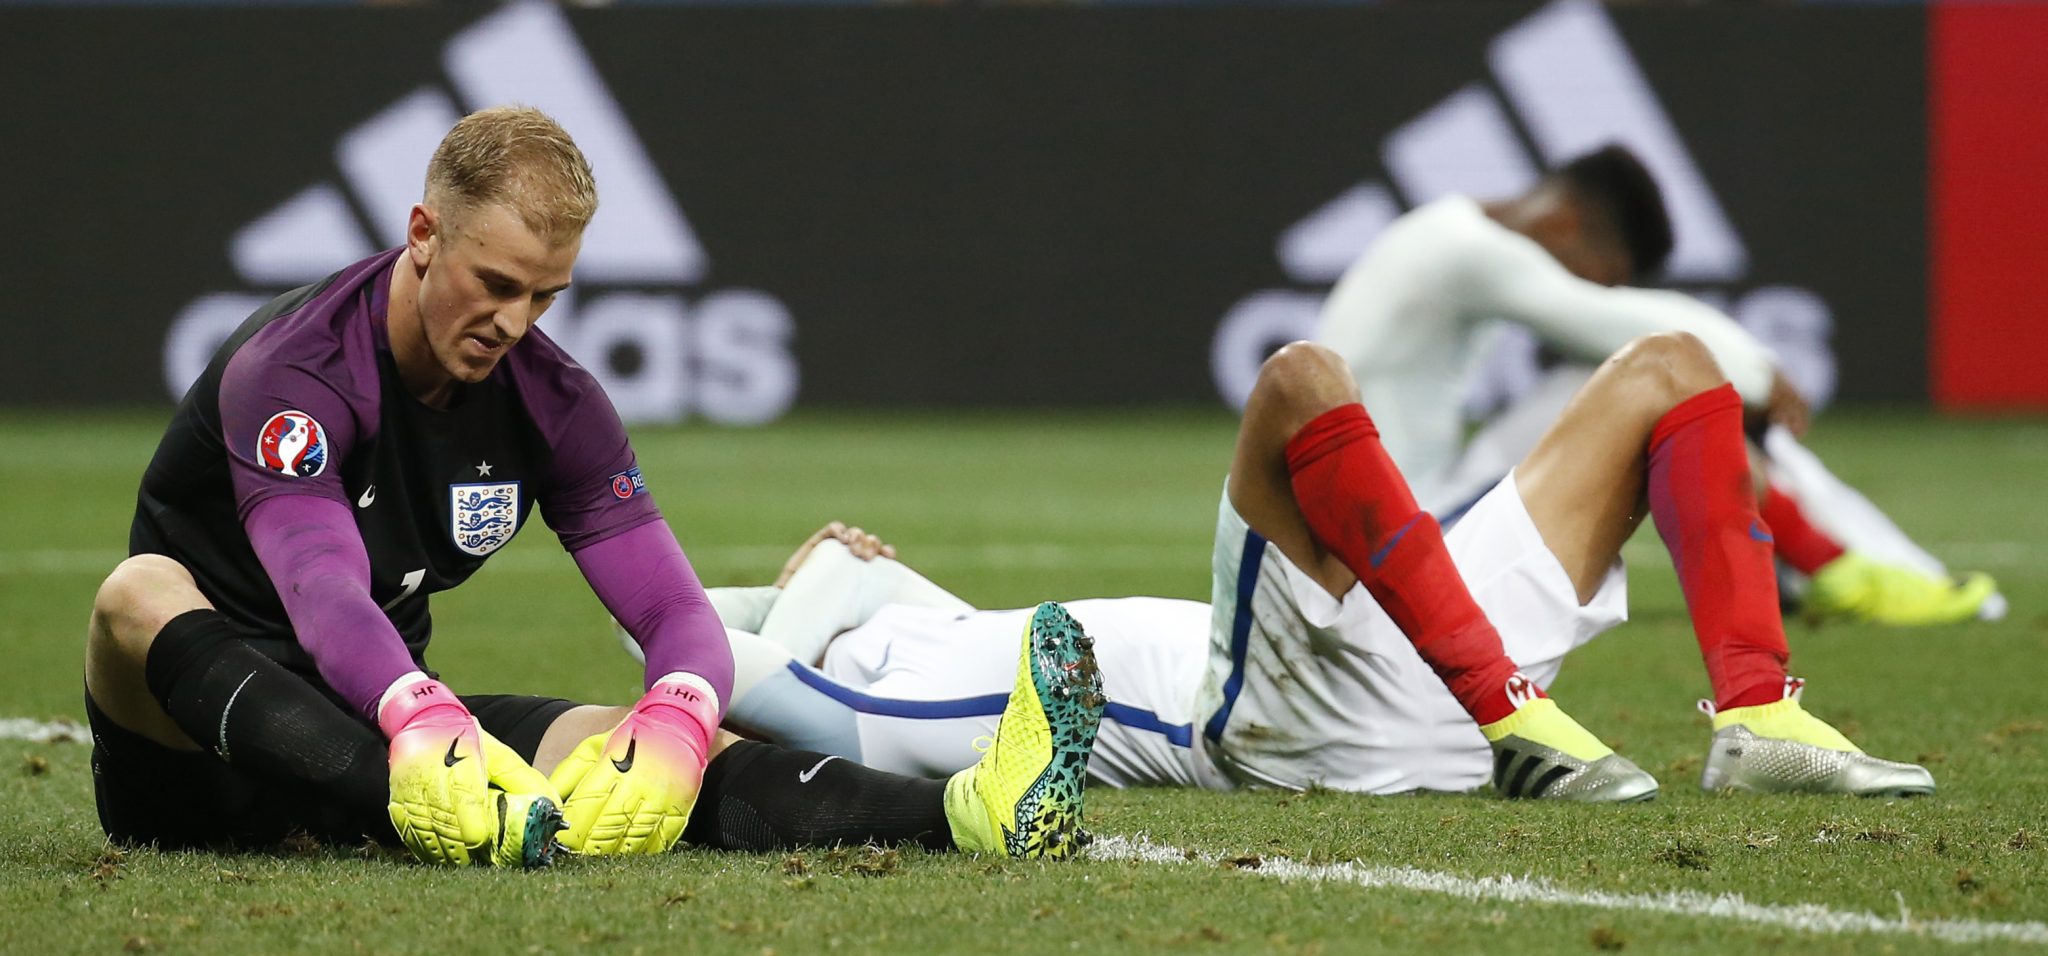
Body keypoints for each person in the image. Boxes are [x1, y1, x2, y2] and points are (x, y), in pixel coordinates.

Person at [84, 106, 1103, 867]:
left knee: (631, 744)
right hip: (195, 753)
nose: (515, 320)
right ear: (423, 233)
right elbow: (320, 589)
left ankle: (971, 812)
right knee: (137, 591)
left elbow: (667, 602)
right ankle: (449, 808)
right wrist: (418, 714)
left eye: (546, 294)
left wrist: (679, 709)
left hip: (387, 726)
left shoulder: (552, 401)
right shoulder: (295, 370)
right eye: (495, 283)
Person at [664, 335, 1936, 800]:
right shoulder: (883, 699)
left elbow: (841, 583)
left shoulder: (920, 619)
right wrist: (788, 595)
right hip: (1285, 713)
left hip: (1410, 640)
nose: (845, 544)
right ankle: (1511, 713)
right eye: (818, 571)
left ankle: (1756, 709)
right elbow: (680, 641)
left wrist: (839, 569)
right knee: (1296, 383)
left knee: (1670, 371)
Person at [1314, 144, 1997, 626]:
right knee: (1640, 377)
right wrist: (1751, 365)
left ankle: (1837, 570)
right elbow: (1605, 321)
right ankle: (1850, 571)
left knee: (1635, 378)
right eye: (1599, 269)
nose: (1589, 286)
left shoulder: (1443, 233)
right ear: (1566, 224)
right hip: (1406, 540)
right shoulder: (1463, 250)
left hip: (1391, 523)